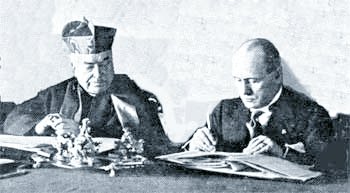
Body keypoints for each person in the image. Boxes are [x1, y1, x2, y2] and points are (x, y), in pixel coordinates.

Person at [4, 18, 172, 158]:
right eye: (89, 66)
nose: (99, 74)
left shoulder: (130, 94)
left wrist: (83, 135)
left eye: (105, 63)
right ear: (74, 66)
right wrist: (40, 126)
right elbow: (13, 119)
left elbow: (154, 145)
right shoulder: (57, 93)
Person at [185, 38, 334, 165]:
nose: (245, 91)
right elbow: (193, 150)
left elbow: (328, 165)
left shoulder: (311, 114)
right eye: (238, 80)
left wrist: (282, 153)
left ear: (277, 76)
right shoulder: (224, 110)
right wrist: (194, 145)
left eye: (254, 81)